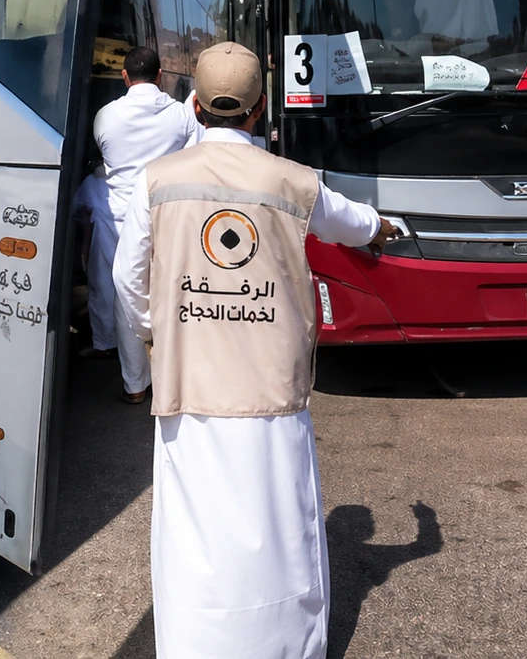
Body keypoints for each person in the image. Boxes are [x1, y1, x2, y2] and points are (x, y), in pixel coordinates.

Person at [113, 41, 397, 658]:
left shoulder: (155, 181)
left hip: (190, 387)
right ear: (260, 107)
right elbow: (352, 222)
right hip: (270, 388)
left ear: (194, 105)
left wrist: (160, 334)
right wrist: (384, 226)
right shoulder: (292, 180)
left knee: (194, 535)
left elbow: (126, 279)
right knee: (279, 531)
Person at [84, 45, 199, 404]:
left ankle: (133, 384)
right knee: (171, 294)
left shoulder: (105, 116)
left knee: (117, 294)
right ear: (160, 75)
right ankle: (173, 377)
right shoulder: (181, 116)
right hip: (165, 218)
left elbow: (105, 158)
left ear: (124, 77)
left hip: (117, 220)